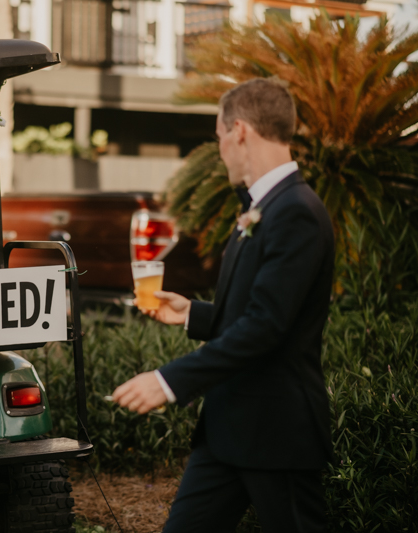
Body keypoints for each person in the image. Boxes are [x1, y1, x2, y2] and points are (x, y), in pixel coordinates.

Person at [112, 78, 334, 533]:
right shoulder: (261, 207)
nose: (220, 150)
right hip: (227, 430)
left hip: (276, 432)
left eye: (218, 138)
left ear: (240, 132)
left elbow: (268, 327)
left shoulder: (295, 210)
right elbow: (257, 312)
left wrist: (168, 381)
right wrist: (193, 313)